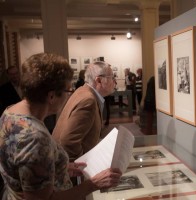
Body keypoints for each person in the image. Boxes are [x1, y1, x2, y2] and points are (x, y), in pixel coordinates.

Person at [0, 53, 121, 199]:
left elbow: (25, 168)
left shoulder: (10, 112)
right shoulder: (34, 137)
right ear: (51, 96)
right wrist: (93, 184)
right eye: (68, 91)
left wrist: (60, 167)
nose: (69, 96)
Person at [52, 61, 116, 162]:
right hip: (71, 169)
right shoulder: (88, 100)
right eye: (112, 77)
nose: (115, 81)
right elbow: (69, 141)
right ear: (98, 80)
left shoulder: (82, 91)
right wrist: (85, 165)